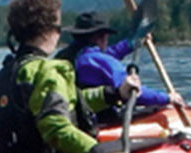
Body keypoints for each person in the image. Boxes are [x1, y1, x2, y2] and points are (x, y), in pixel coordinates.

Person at [0, 0, 140, 153]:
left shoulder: (6, 73)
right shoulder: (48, 71)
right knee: (149, 144)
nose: (59, 33)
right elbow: (55, 128)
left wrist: (115, 93)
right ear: (47, 31)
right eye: (58, 27)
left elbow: (70, 102)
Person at [56, 10, 184, 126]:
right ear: (99, 37)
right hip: (100, 121)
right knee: (163, 110)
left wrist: (132, 42)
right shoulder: (99, 60)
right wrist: (168, 98)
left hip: (74, 117)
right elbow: (133, 92)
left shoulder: (65, 56)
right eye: (106, 36)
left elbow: (107, 55)